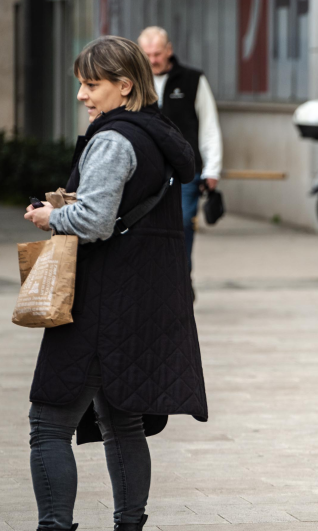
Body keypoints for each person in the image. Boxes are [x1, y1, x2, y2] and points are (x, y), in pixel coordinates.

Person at [23, 36, 208, 530]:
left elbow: (96, 221)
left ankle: (54, 526)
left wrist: (49, 217)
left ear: (124, 86)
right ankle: (129, 524)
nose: (82, 94)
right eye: (81, 84)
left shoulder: (113, 139)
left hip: (101, 301)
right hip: (144, 299)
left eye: (92, 84)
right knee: (122, 419)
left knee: (48, 424)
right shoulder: (158, 132)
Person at [137, 26, 222, 296]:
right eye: (147, 55)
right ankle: (154, 284)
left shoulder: (193, 79)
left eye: (157, 54)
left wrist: (212, 169)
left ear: (169, 50)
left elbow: (209, 125)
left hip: (185, 170)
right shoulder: (133, 81)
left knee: (183, 223)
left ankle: (181, 281)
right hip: (145, 170)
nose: (153, 60)